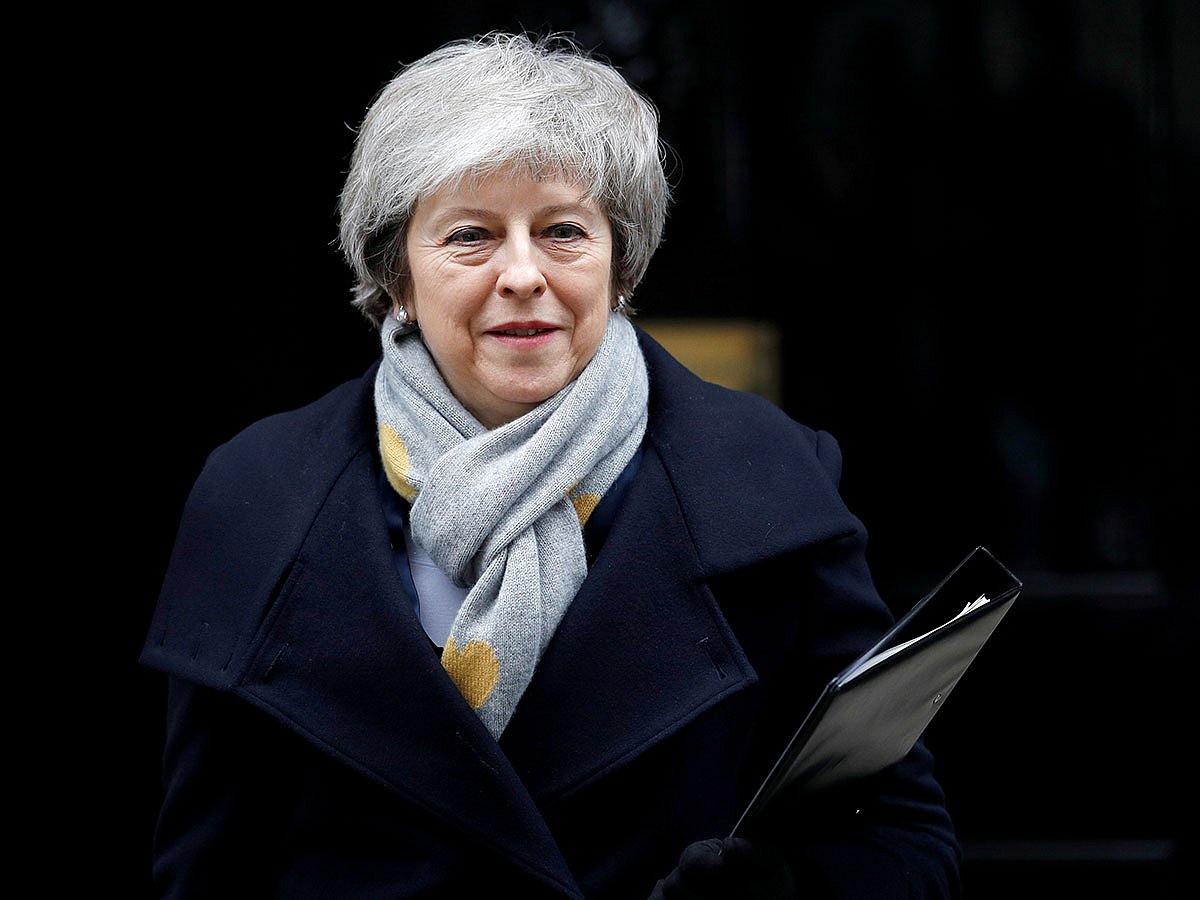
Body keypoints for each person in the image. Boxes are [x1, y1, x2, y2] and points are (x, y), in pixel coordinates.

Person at [141, 31, 961, 899]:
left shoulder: (772, 482)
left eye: (564, 230)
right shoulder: (256, 498)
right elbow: (202, 873)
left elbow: (904, 840)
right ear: (396, 277)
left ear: (621, 263)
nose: (524, 274)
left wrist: (782, 891)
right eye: (470, 236)